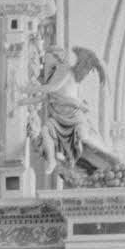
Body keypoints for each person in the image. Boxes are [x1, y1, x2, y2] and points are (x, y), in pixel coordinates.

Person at [18, 45, 105, 174]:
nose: (44, 61)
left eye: (46, 57)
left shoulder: (63, 69)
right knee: (46, 131)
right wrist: (22, 102)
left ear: (55, 57)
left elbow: (51, 88)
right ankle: (52, 160)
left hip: (70, 114)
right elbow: (46, 97)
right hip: (62, 115)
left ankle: (95, 161)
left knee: (82, 141)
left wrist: (25, 90)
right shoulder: (58, 72)